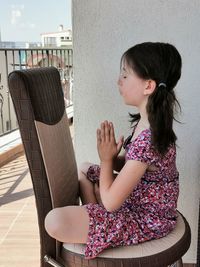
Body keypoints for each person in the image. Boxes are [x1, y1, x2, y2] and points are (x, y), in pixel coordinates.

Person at [44, 42, 182, 259]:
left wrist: (107, 160)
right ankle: (100, 224)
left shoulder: (149, 138)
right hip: (136, 199)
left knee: (54, 221)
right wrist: (113, 158)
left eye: (125, 75)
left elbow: (110, 203)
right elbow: (136, 166)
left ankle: (103, 226)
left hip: (147, 218)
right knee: (85, 169)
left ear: (148, 86)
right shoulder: (147, 122)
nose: (119, 81)